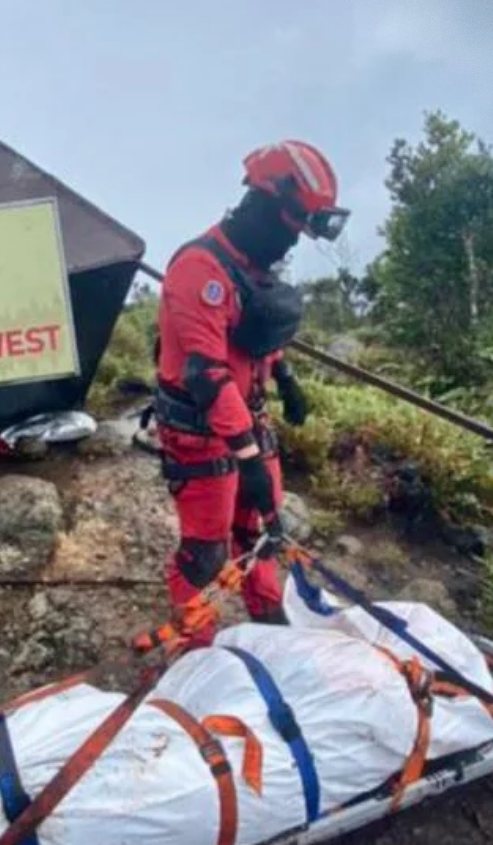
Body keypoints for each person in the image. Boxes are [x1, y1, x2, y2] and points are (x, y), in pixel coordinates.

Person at [151, 140, 348, 648]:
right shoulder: (200, 269)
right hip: (200, 431)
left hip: (248, 421)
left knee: (263, 534)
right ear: (262, 204)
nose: (292, 243)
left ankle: (269, 629)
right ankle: (197, 653)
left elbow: (254, 337)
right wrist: (249, 457)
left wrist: (285, 379)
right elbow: (207, 373)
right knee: (205, 554)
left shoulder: (254, 265)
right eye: (290, 227)